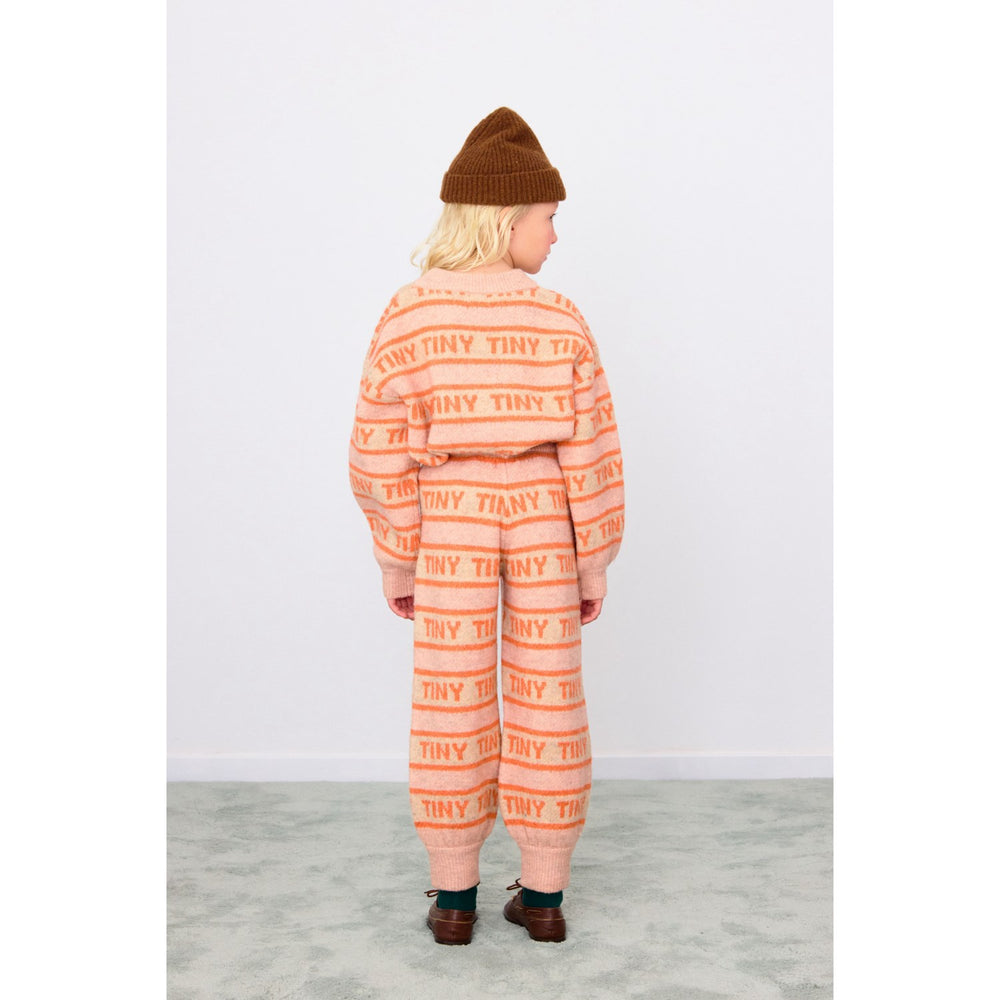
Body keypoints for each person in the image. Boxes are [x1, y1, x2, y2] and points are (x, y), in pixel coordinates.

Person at [349, 108, 624, 945]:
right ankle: (543, 897)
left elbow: (377, 450)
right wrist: (593, 560)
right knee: (549, 699)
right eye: (548, 217)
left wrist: (398, 558)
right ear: (507, 219)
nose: (555, 235)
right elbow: (592, 448)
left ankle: (454, 899)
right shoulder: (559, 316)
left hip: (452, 521)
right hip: (542, 516)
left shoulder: (409, 313)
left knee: (452, 700)